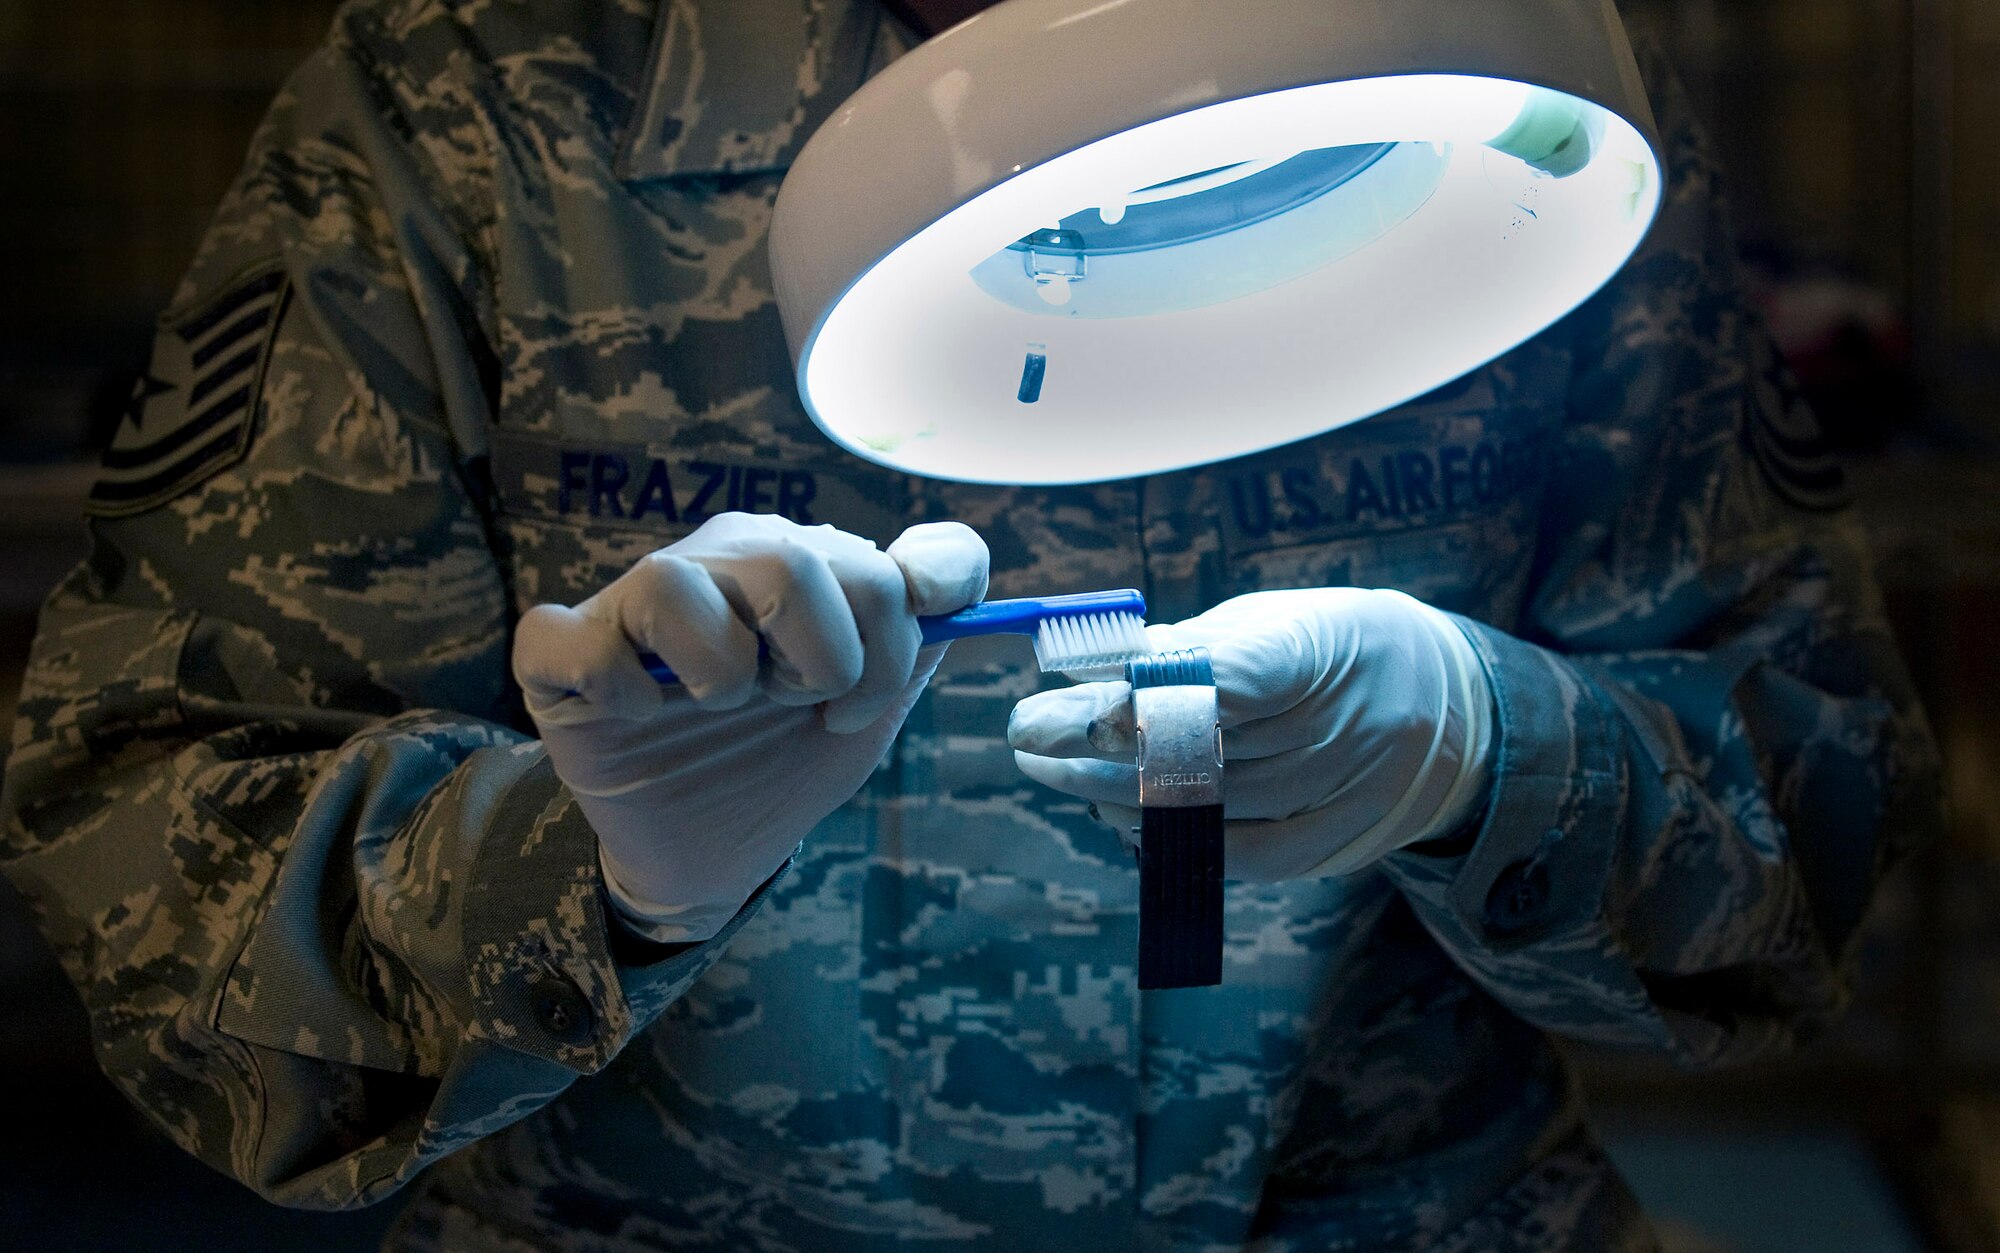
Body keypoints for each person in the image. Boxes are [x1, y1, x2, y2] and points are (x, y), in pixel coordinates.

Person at [0, 1, 1938, 1249]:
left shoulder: (1503, 83)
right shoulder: (487, 114)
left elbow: (1803, 857)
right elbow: (163, 901)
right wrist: (588, 871)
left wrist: (1483, 747)